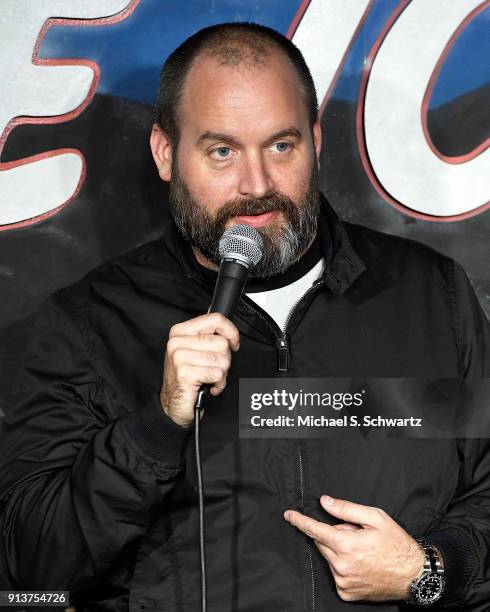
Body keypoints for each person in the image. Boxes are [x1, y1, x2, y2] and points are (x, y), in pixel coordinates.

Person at [0, 22, 489, 612]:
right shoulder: (89, 323)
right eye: (222, 151)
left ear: (315, 140)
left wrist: (431, 569)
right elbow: (29, 565)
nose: (256, 185)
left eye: (281, 146)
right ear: (165, 153)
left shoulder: (430, 296)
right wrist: (155, 428)